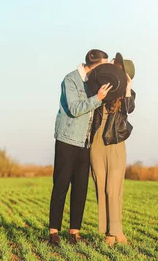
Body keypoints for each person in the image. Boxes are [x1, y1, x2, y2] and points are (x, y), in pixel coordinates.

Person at [49, 49, 113, 245]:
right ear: (94, 63)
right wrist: (97, 98)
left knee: (80, 189)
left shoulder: (95, 82)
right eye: (104, 64)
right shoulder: (70, 80)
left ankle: (74, 233)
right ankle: (53, 232)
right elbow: (76, 109)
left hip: (85, 142)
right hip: (67, 140)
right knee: (61, 186)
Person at [89, 52, 136, 246]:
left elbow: (128, 110)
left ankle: (117, 231)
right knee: (101, 186)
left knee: (113, 188)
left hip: (115, 142)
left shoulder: (128, 95)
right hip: (97, 141)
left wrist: (127, 88)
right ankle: (109, 233)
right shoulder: (102, 88)